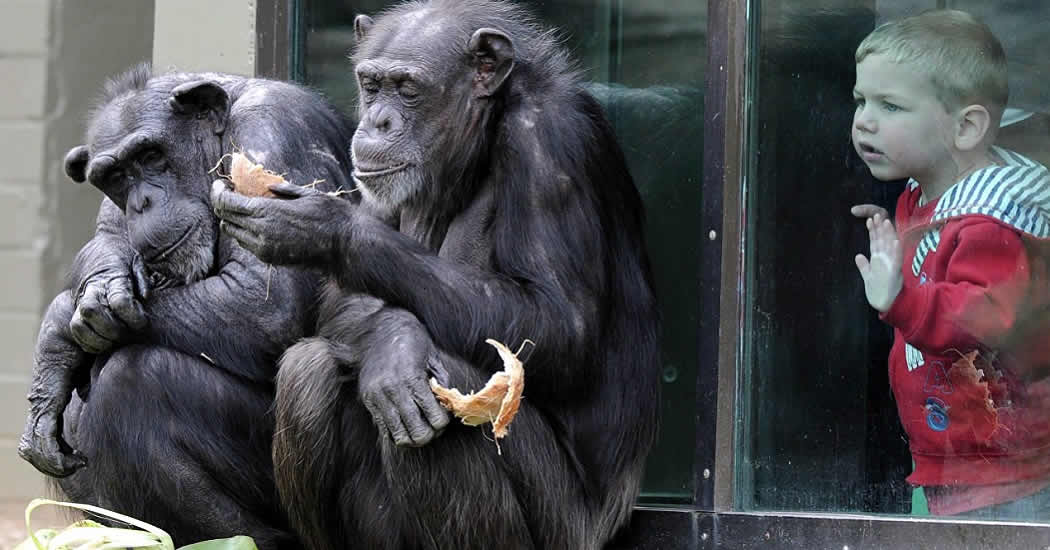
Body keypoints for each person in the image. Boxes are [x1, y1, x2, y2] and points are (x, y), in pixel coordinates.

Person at [851, 9, 1050, 518]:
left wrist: (901, 298)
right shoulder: (923, 200)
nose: (864, 120)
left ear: (966, 127)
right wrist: (903, 241)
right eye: (861, 100)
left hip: (1010, 471)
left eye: (890, 105)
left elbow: (985, 316)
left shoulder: (992, 222)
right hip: (961, 455)